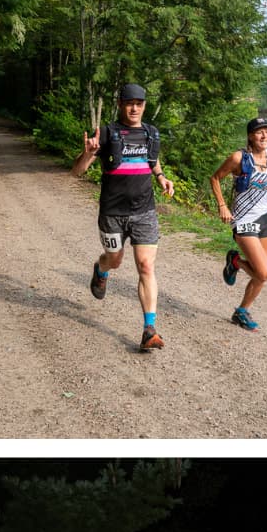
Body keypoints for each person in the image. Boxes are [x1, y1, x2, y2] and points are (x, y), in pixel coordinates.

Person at [74, 82, 176, 354]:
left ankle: (149, 329)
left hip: (144, 212)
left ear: (144, 106)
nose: (134, 108)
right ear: (120, 104)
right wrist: (89, 153)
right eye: (129, 103)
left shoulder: (150, 133)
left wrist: (162, 178)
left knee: (146, 267)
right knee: (115, 259)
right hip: (113, 213)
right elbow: (77, 172)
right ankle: (101, 268)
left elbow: (152, 161)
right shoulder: (107, 133)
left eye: (139, 104)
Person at [209, 120, 267, 332]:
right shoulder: (239, 158)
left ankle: (242, 311)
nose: (264, 136)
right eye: (260, 133)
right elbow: (215, 178)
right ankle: (236, 261)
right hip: (243, 220)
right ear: (251, 136)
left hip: (265, 219)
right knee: (264, 273)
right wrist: (222, 205)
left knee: (262, 276)